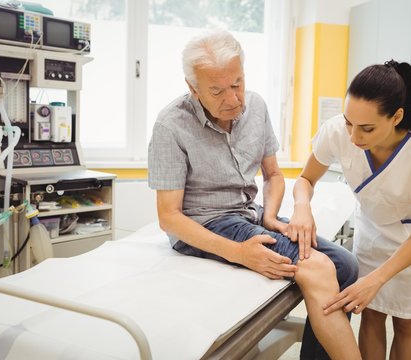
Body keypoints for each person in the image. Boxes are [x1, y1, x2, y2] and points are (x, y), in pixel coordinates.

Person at [147, 29, 361, 359]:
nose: (233, 99)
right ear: (193, 88)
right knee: (317, 268)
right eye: (217, 91)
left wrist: (272, 215)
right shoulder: (171, 125)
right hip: (207, 222)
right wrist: (238, 252)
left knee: (345, 265)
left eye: (237, 84)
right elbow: (169, 217)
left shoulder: (256, 107)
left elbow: (274, 175)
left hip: (250, 212)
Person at [288, 60, 411, 360]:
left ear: (397, 117)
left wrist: (377, 279)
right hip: (372, 233)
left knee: (406, 323)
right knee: (371, 315)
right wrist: (302, 206)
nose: (353, 137)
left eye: (366, 128)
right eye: (349, 123)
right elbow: (305, 179)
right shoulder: (338, 131)